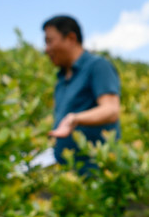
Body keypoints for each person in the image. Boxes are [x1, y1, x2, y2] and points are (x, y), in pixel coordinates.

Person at [43, 15, 121, 170]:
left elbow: (111, 110)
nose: (46, 49)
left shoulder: (98, 66)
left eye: (50, 41)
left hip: (94, 171)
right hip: (67, 171)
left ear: (71, 38)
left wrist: (75, 119)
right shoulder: (62, 78)